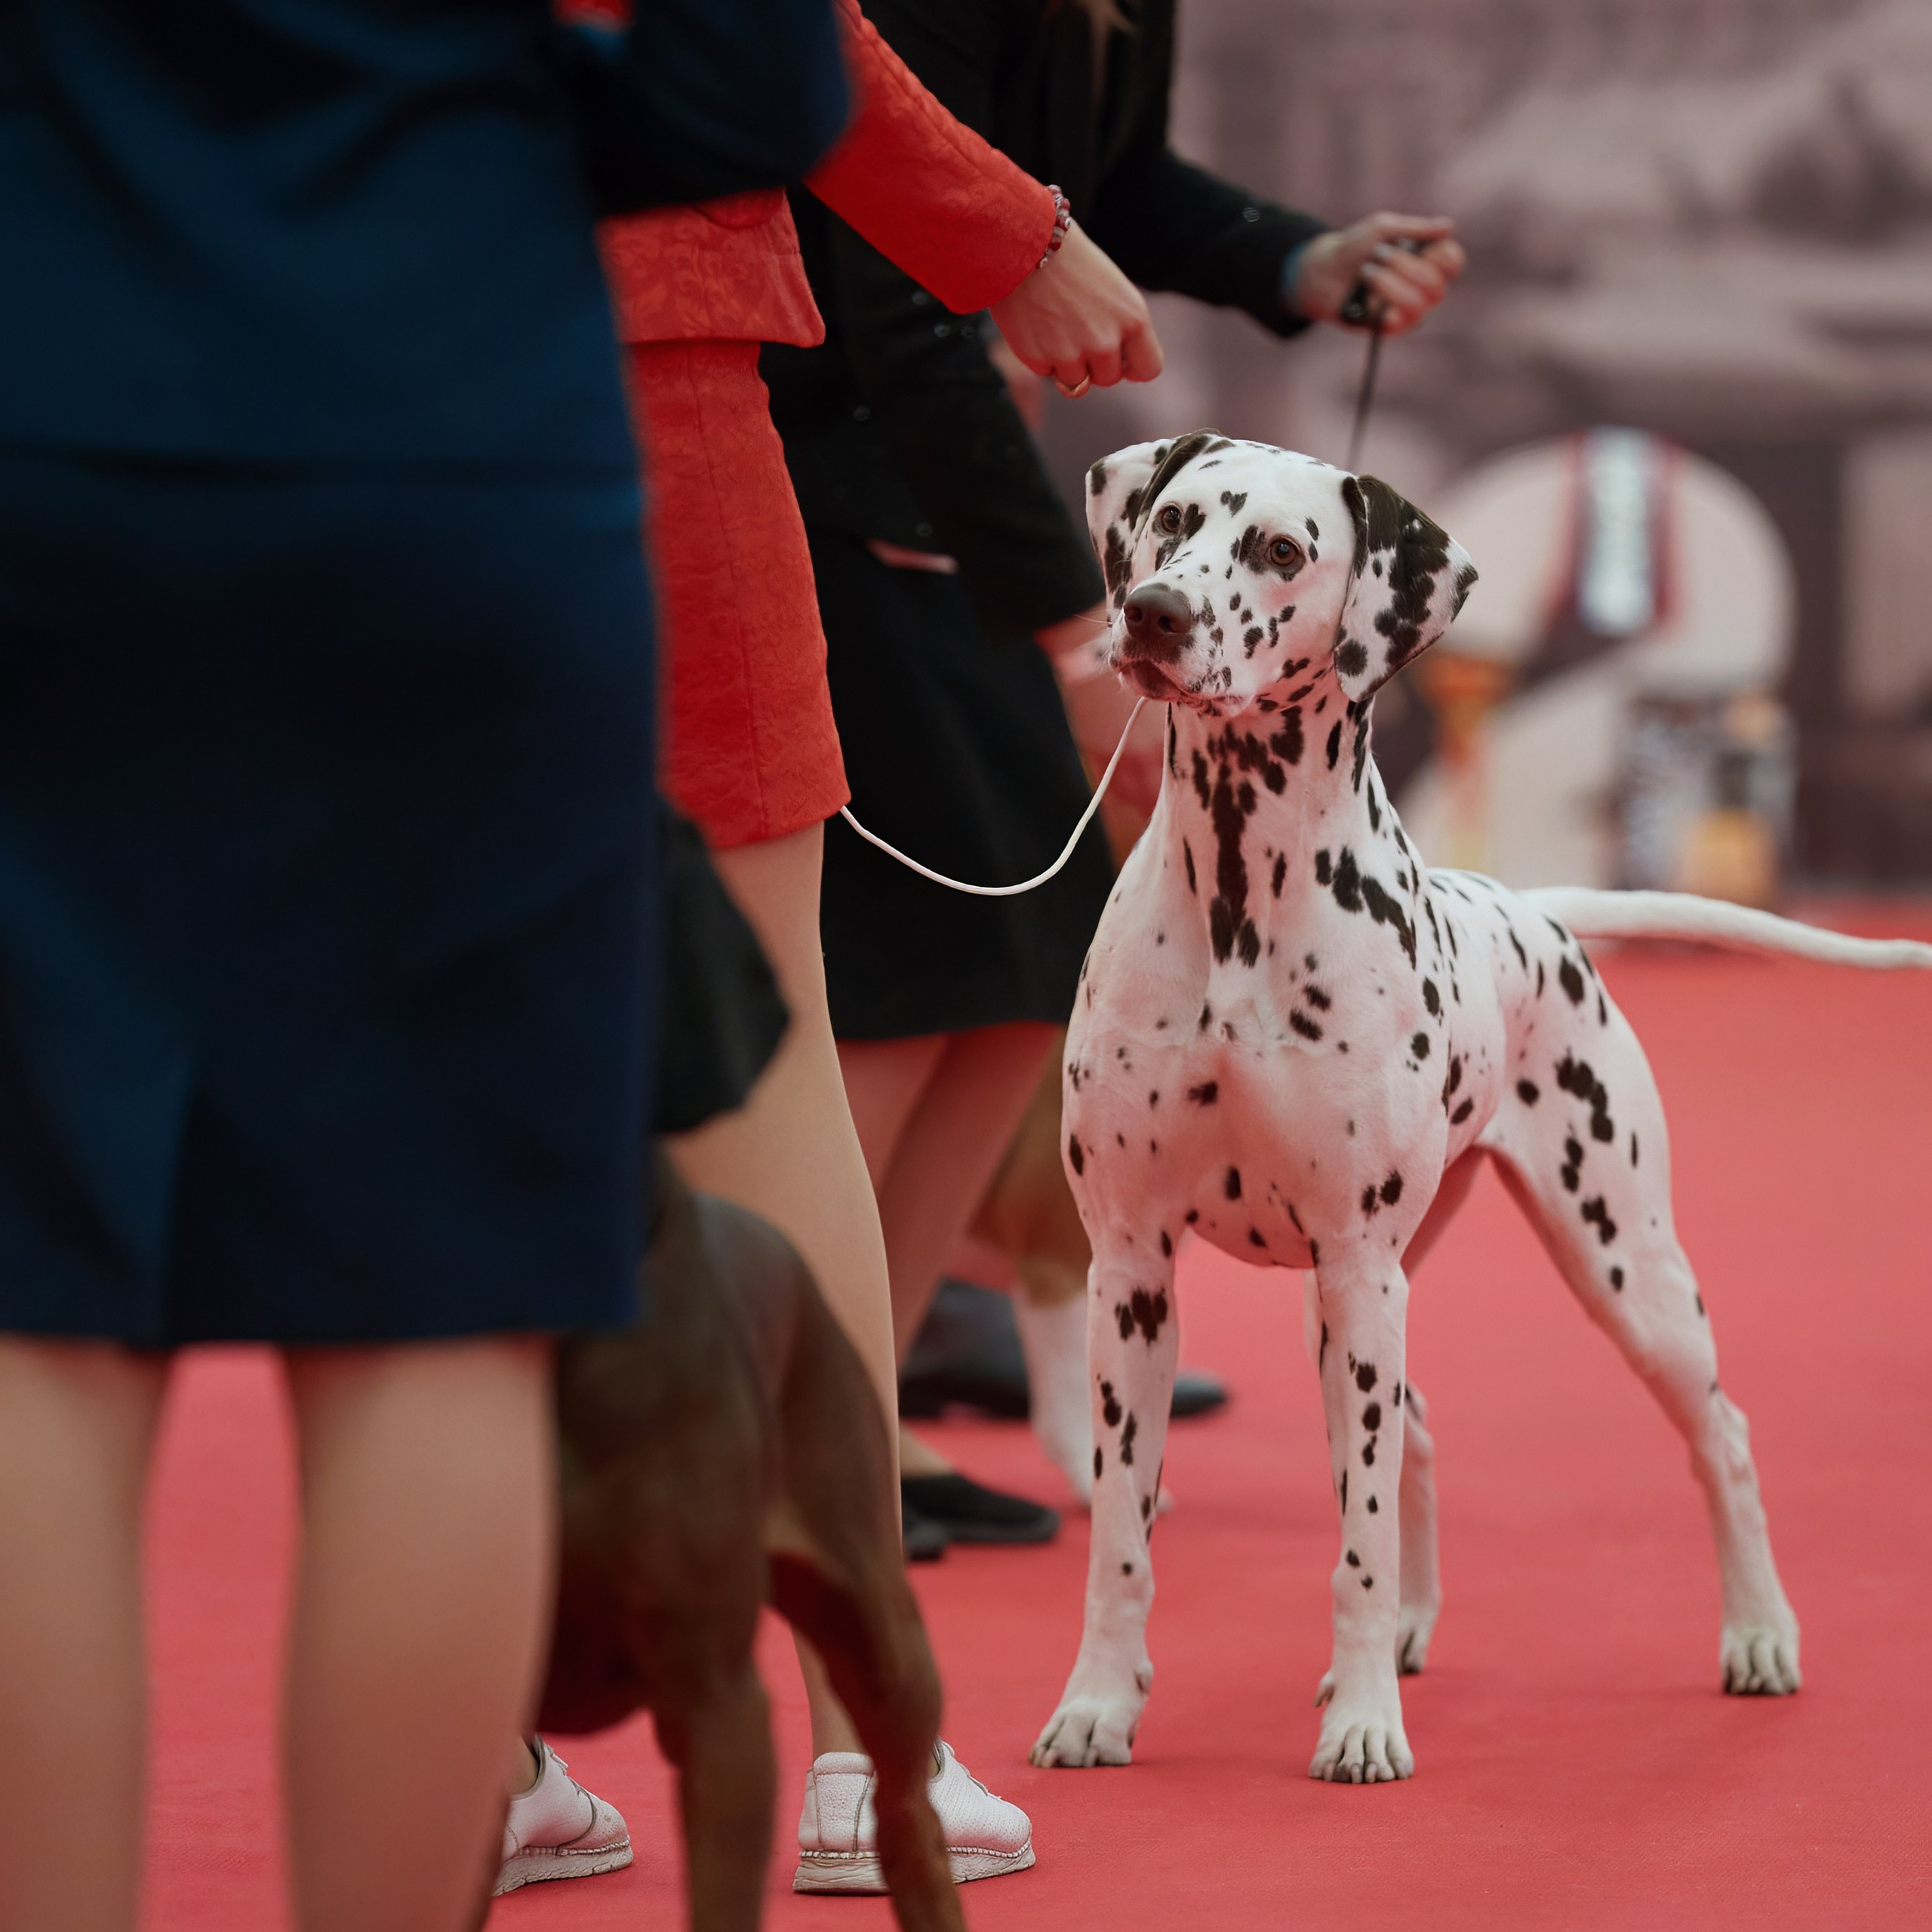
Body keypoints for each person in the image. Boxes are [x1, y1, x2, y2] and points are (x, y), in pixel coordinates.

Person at [0, 5, 848, 1930]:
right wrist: (467, 139)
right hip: (453, 431)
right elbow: (752, 85)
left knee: (28, 1310)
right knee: (435, 1301)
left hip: (39, 410)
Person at [504, 0, 1164, 1894]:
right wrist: (1014, 238)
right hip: (641, 364)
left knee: (447, 1095)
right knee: (774, 1068)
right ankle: (871, 1759)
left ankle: (473, 1739)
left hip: (302, 400)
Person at [761, 0, 1466, 1529]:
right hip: (827, 497)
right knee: (900, 986)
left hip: (958, 507)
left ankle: (855, 1409)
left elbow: (1107, 178)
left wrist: (1295, 259)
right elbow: (904, 298)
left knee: (1017, 964)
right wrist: (1083, 641)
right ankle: (786, 1430)